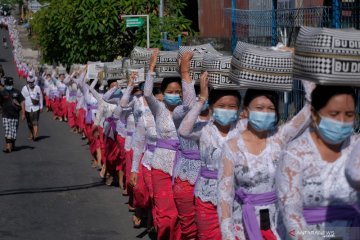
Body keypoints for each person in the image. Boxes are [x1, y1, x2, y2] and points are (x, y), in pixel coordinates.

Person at [277, 85, 360, 240]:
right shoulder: (294, 155)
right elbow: (291, 216)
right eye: (334, 114)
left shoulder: (356, 147)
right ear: (315, 115)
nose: (342, 121)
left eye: (349, 114)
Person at [178, 74, 246, 240]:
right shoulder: (204, 129)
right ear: (212, 107)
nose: (227, 109)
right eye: (222, 105)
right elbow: (183, 131)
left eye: (232, 106)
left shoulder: (243, 129)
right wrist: (201, 99)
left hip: (237, 198)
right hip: (207, 197)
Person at [144, 49, 196, 240]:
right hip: (160, 166)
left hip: (183, 167)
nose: (174, 95)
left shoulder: (185, 111)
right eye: (170, 92)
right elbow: (148, 93)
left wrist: (185, 71)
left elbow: (191, 103)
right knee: (167, 216)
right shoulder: (158, 109)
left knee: (182, 216)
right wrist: (152, 66)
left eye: (178, 92)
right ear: (163, 94)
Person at [0, 77, 24, 152]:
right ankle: (8, 148)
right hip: (5, 115)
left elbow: (22, 102)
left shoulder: (17, 92)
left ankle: (12, 144)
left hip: (15, 115)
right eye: (8, 84)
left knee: (13, 131)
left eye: (10, 84)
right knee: (7, 130)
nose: (9, 85)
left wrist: (23, 113)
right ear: (5, 84)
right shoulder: (2, 93)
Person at [21, 75, 43, 141]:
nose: (30, 83)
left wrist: (41, 106)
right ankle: (31, 133)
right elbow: (22, 99)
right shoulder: (24, 88)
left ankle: (35, 135)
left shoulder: (37, 88)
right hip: (27, 108)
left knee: (35, 121)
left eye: (32, 82)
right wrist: (23, 111)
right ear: (27, 82)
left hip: (36, 107)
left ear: (34, 81)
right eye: (29, 82)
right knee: (29, 122)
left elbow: (41, 97)